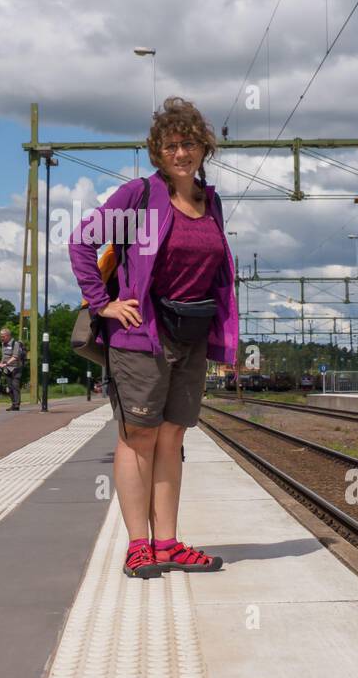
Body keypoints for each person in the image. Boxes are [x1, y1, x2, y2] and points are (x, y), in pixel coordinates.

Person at [69, 96, 238, 578]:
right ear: (158, 153)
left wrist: (223, 336)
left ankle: (167, 542)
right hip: (140, 335)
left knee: (171, 437)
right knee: (138, 436)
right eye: (170, 146)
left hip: (192, 335)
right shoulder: (139, 196)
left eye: (188, 144)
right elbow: (81, 240)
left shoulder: (212, 202)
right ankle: (138, 545)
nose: (180, 153)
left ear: (204, 148)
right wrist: (102, 302)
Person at [0, 327, 26, 410]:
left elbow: (15, 357)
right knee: (10, 387)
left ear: (8, 336)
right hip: (7, 369)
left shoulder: (15, 344)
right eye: (0, 336)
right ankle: (13, 404)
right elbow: (4, 356)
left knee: (15, 385)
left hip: (16, 368)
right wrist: (1, 364)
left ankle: (17, 405)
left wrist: (5, 364)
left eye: (3, 336)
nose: (1, 338)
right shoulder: (3, 344)